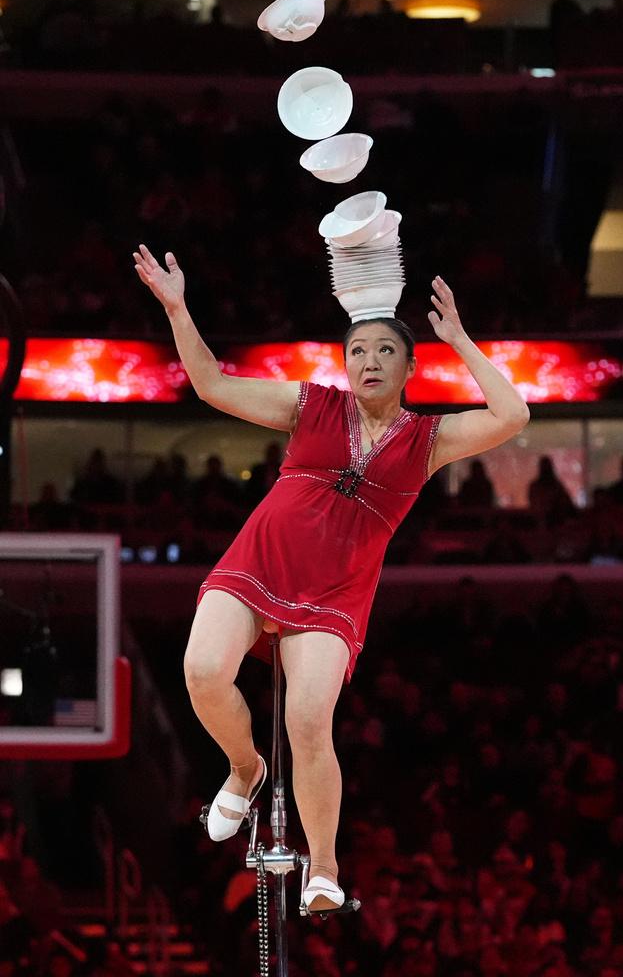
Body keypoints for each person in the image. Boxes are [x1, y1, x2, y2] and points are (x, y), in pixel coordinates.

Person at [133, 244, 529, 914]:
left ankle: (323, 865)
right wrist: (176, 307)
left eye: (385, 351)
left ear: (409, 366)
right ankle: (244, 769)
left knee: (308, 720)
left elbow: (512, 416)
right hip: (256, 563)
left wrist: (461, 340)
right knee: (201, 671)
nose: (368, 361)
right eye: (357, 351)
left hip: (334, 594)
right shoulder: (309, 405)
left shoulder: (428, 440)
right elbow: (211, 385)